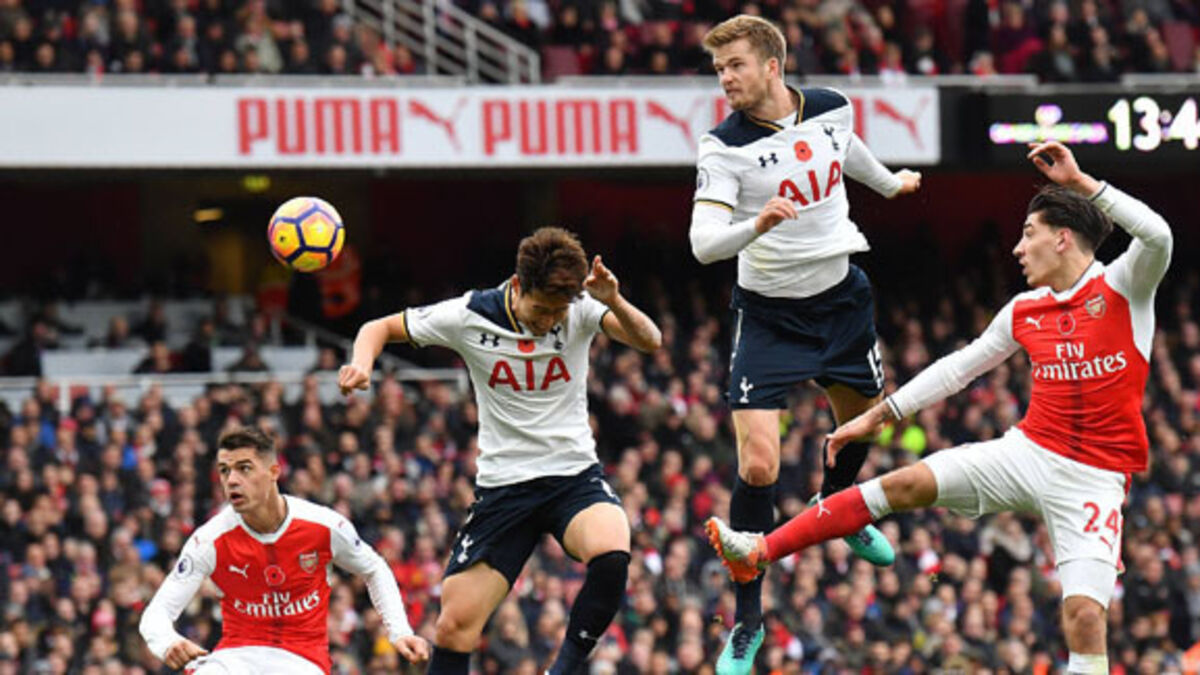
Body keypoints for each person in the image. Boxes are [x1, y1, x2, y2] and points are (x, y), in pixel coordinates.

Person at [706, 140, 1172, 675]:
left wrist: (1081, 183)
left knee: (1085, 616)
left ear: (1062, 238)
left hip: (1094, 478)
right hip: (1029, 452)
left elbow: (1158, 235)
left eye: (1029, 234)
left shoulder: (1124, 286)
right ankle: (758, 551)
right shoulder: (1025, 310)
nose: (1018, 249)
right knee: (903, 484)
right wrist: (876, 415)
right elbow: (959, 369)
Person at [687, 14, 922, 672]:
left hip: (842, 303)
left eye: (735, 65)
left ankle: (835, 506)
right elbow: (703, 244)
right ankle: (747, 621)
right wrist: (755, 227)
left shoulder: (830, 107)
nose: (725, 79)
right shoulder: (723, 147)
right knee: (759, 465)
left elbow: (845, 149)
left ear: (772, 65)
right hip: (768, 317)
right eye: (718, 69)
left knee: (862, 428)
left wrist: (890, 183)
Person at [338, 227, 661, 675]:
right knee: (454, 627)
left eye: (557, 312)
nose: (548, 321)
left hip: (573, 477)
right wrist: (361, 363)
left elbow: (650, 340)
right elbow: (378, 328)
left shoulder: (581, 309)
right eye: (541, 309)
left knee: (613, 550)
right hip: (504, 488)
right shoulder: (470, 315)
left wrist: (615, 301)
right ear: (516, 286)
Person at [138, 426, 429, 674]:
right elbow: (156, 615)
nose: (232, 480)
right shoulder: (209, 540)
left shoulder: (323, 525)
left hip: (302, 659)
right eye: (225, 471)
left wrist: (399, 631)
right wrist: (167, 643)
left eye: (244, 468)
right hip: (236, 657)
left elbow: (374, 568)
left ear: (273, 472)